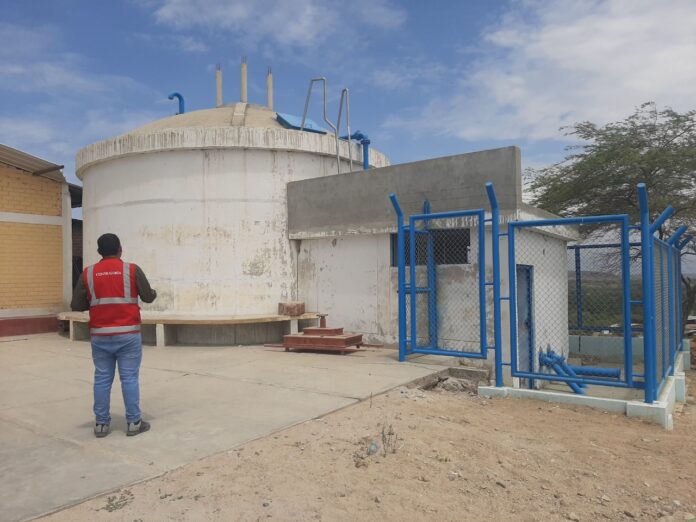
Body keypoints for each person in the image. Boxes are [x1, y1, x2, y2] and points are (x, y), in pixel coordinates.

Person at [71, 233, 157, 438]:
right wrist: (152, 292)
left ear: (99, 252)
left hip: (100, 335)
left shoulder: (88, 273)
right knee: (129, 378)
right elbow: (148, 296)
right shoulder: (131, 270)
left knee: (102, 379)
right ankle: (134, 422)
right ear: (120, 249)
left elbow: (76, 305)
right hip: (128, 334)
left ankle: (101, 424)